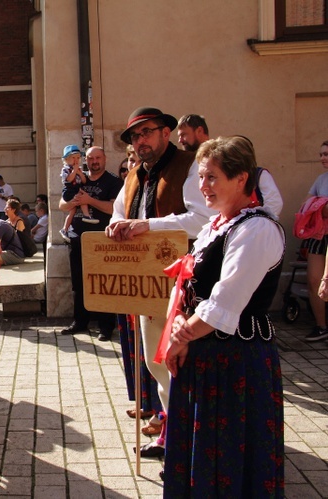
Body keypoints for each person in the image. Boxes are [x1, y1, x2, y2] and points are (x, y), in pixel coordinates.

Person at [163, 136, 284, 496]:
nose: (203, 187)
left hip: (236, 362)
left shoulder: (256, 229)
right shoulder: (215, 225)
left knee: (231, 454)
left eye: (212, 177)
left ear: (241, 179)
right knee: (204, 457)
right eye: (201, 177)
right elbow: (188, 281)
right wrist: (178, 326)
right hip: (203, 355)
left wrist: (179, 338)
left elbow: (223, 304)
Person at [106, 106, 215, 458]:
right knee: (155, 359)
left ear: (165, 132)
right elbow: (121, 212)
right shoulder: (134, 174)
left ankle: (190, 434)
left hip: (186, 281)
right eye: (135, 136)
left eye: (146, 132)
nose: (140, 141)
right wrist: (117, 224)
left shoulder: (188, 166)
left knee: (179, 358)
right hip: (145, 280)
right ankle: (172, 429)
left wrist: (148, 226)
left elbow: (204, 220)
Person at [59, 146, 123, 341]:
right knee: (79, 283)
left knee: (104, 282)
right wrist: (75, 202)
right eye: (90, 158)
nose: (94, 161)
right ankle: (80, 322)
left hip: (102, 240)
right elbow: (62, 205)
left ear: (104, 159)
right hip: (77, 238)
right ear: (85, 160)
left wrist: (89, 200)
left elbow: (114, 208)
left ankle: (105, 327)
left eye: (98, 158)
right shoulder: (78, 177)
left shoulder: (113, 181)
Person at [302, 140, 328, 342]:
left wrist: (318, 206)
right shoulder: (320, 180)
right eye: (321, 154)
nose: (323, 158)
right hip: (319, 235)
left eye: (326, 154)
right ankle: (321, 326)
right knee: (314, 280)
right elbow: (306, 204)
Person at [59, 144, 97, 242]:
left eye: (78, 158)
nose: (76, 160)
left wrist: (80, 173)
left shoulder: (79, 169)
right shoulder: (66, 169)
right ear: (66, 159)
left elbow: (84, 181)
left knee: (73, 211)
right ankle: (86, 215)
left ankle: (65, 228)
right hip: (70, 190)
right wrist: (74, 171)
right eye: (73, 158)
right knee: (81, 199)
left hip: (77, 189)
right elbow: (68, 180)